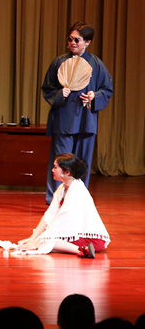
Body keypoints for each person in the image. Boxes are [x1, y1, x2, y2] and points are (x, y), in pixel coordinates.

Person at [41, 21, 113, 204]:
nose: (72, 43)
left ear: (87, 42)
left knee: (82, 164)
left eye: (77, 40)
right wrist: (60, 94)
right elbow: (47, 88)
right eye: (70, 39)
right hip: (63, 119)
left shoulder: (96, 64)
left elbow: (107, 89)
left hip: (86, 121)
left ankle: (77, 201)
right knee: (60, 163)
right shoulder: (59, 62)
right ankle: (56, 200)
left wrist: (94, 95)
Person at [18, 153, 110, 258]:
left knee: (47, 241)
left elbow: (64, 219)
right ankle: (82, 250)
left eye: (55, 167)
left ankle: (81, 250)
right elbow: (49, 215)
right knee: (45, 239)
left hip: (91, 239)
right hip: (77, 235)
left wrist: (37, 243)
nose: (53, 170)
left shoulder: (77, 190)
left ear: (67, 172)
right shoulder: (62, 188)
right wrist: (33, 238)